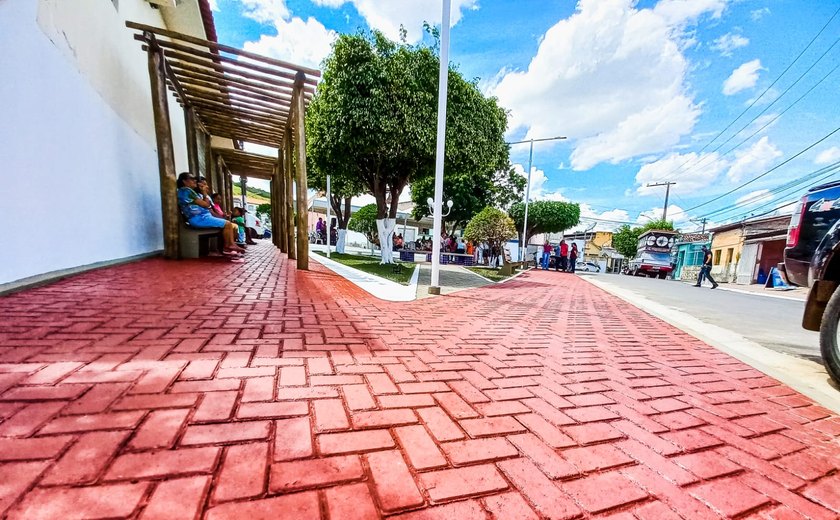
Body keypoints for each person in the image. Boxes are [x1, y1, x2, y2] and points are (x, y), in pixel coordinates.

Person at [176, 172, 244, 257]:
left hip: (200, 217)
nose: (194, 180)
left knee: (228, 224)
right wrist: (204, 192)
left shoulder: (186, 191)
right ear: (184, 181)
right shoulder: (187, 191)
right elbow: (206, 205)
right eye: (192, 179)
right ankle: (228, 246)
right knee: (228, 224)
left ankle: (229, 245)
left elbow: (204, 204)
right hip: (199, 219)